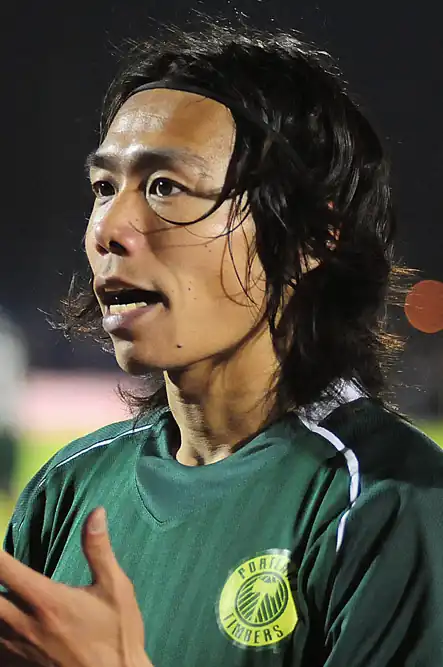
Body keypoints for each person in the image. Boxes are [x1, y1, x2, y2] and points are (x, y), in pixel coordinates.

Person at [1, 20, 442, 667]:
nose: (108, 228)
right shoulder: (67, 488)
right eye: (103, 187)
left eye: (165, 187)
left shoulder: (389, 504)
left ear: (309, 239)